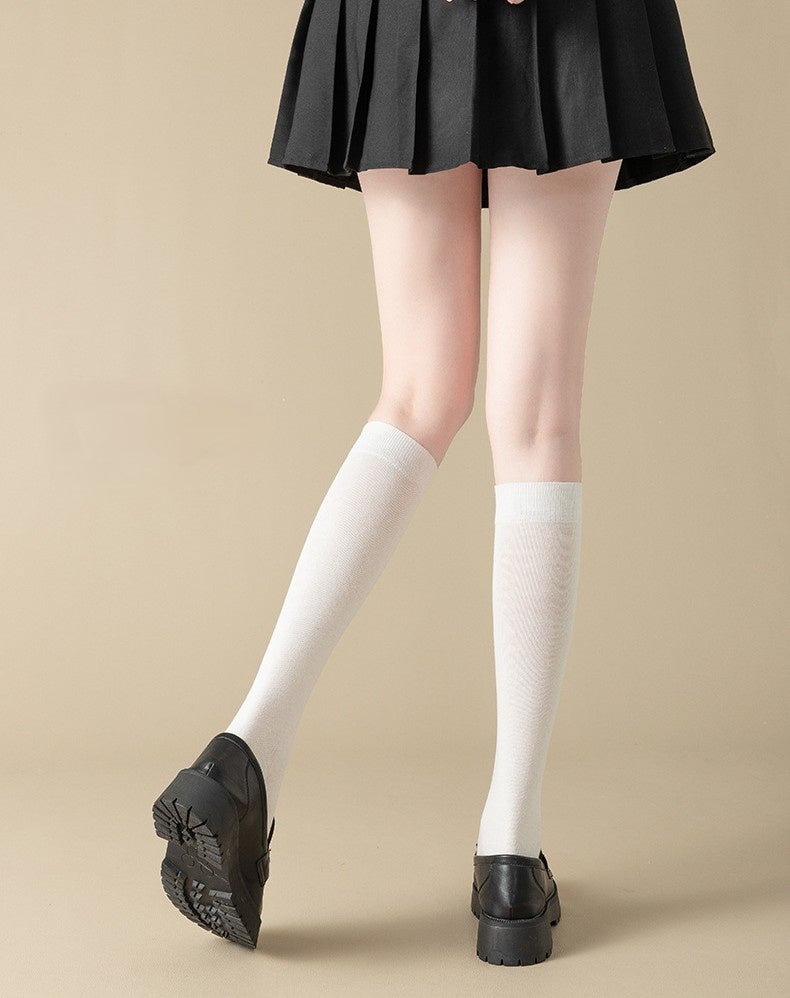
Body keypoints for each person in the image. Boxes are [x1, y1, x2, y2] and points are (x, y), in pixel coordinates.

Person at [152, 0, 716, 966]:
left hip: (406, 17)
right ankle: (511, 853)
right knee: (536, 422)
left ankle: (246, 749)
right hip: (567, 24)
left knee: (418, 393)